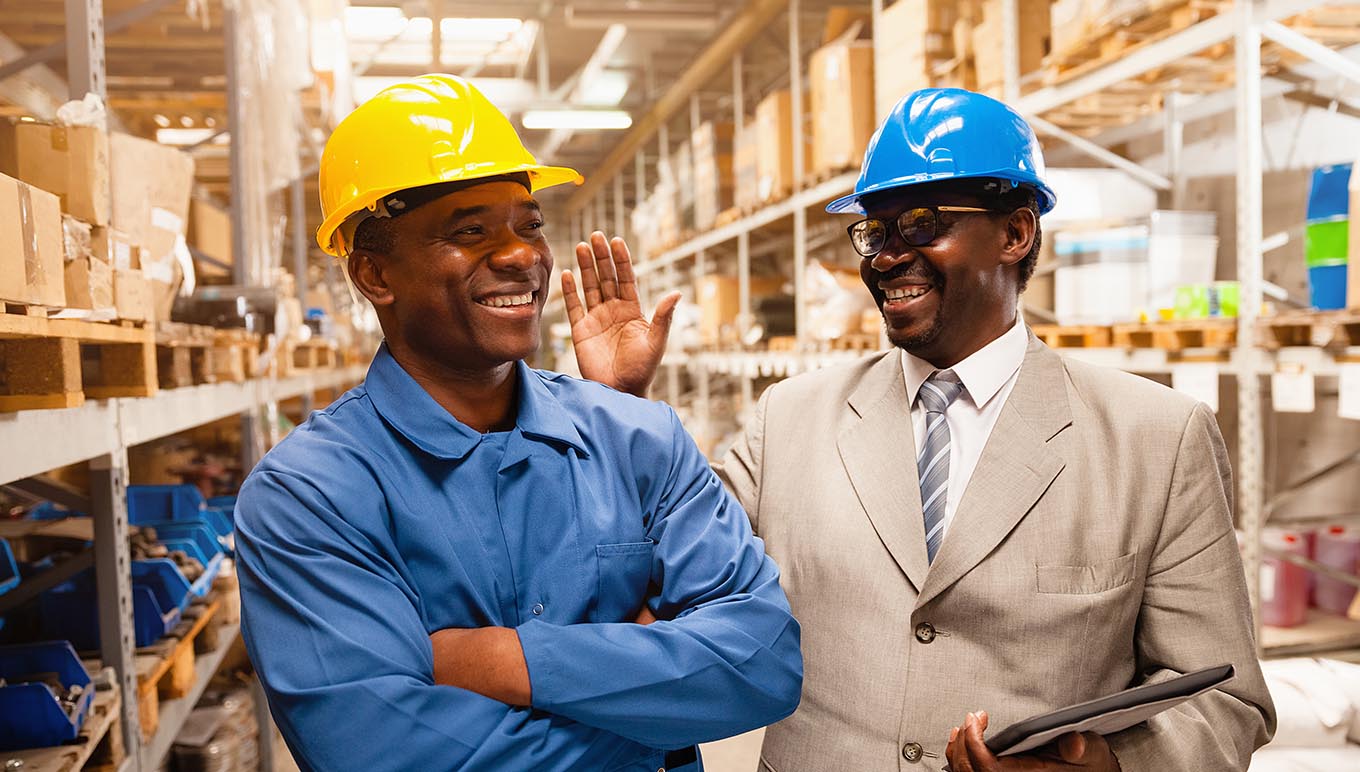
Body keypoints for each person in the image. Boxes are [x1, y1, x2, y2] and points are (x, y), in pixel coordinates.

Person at [567, 88, 1275, 771]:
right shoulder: (789, 422)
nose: (885, 256)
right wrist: (619, 406)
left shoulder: (1157, 439)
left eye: (922, 226)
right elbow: (652, 591)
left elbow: (1225, 700)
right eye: (875, 231)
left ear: (1016, 231)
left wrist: (1112, 769)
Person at [233, 74, 802, 772]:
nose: (520, 255)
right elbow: (382, 755)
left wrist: (500, 660)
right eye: (470, 231)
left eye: (529, 224)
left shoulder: (634, 437)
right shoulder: (307, 496)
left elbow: (764, 662)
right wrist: (654, 705)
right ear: (375, 274)